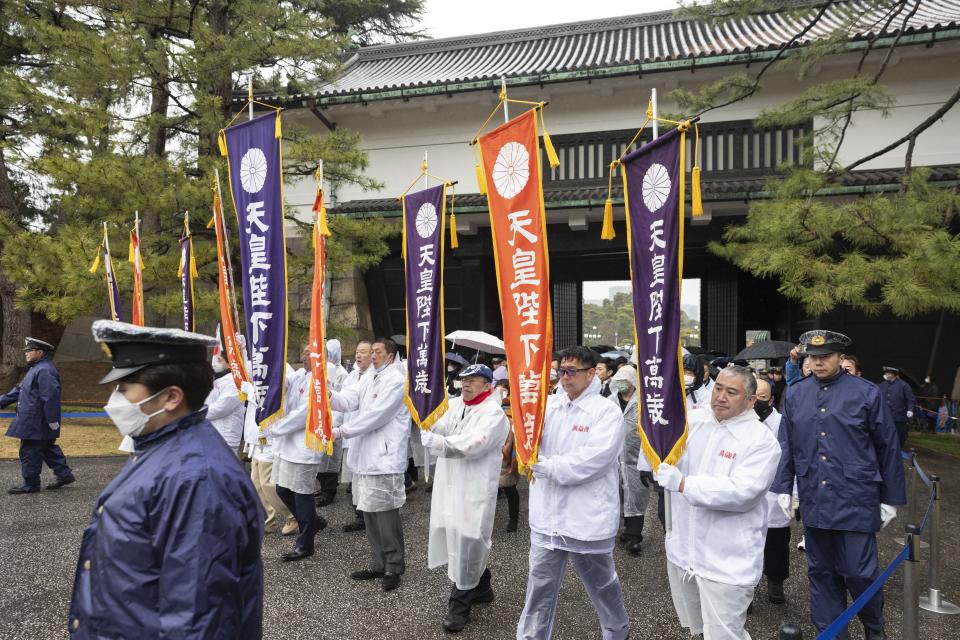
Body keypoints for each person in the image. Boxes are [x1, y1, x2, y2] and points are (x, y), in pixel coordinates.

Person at [69, 320, 262, 637]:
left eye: (124, 388)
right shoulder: (162, 447)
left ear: (171, 397)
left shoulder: (196, 478)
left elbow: (196, 617)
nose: (114, 400)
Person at [772, 330, 905, 640]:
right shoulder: (795, 393)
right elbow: (787, 444)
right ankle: (832, 633)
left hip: (857, 496)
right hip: (814, 494)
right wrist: (784, 488)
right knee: (821, 572)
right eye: (812, 358)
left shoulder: (866, 392)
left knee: (860, 572)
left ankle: (874, 627)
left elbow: (887, 445)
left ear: (840, 358)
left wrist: (891, 498)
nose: (818, 363)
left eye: (825, 357)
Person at [652, 366, 781, 640]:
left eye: (731, 392)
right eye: (719, 388)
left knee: (725, 633)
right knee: (696, 627)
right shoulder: (694, 422)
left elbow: (742, 492)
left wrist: (684, 483)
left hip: (726, 561)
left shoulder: (761, 441)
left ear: (750, 400)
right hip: (685, 552)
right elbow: (661, 452)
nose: (720, 397)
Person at [517, 346, 629, 640]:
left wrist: (546, 466)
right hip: (548, 517)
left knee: (603, 586)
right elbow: (530, 443)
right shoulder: (548, 406)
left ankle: (617, 631)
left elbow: (594, 460)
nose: (565, 378)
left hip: (586, 519)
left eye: (572, 372)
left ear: (591, 373)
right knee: (539, 586)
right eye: (561, 372)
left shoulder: (606, 412)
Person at [421, 364, 510, 633]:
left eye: (474, 380)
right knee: (456, 533)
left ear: (488, 385)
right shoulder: (456, 403)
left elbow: (474, 445)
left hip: (474, 487)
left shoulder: (494, 414)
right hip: (451, 483)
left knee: (470, 540)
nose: (467, 385)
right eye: (464, 380)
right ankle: (482, 587)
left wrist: (438, 443)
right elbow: (441, 424)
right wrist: (426, 415)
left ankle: (458, 607)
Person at [329, 337, 410, 591]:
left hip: (384, 459)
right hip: (365, 457)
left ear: (390, 355)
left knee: (386, 515)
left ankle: (394, 566)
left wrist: (342, 431)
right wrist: (326, 393)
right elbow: (348, 400)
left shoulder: (396, 380)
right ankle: (378, 562)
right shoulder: (368, 377)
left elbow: (376, 416)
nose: (372, 356)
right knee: (369, 513)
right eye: (371, 351)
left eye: (377, 352)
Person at [260, 345, 329, 561]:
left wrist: (276, 428)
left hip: (304, 447)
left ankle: (305, 544)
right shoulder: (300, 375)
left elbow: (304, 413)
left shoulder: (321, 380)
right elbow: (281, 381)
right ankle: (312, 521)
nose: (304, 356)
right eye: (303, 352)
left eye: (309, 353)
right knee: (282, 489)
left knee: (302, 495)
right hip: (287, 446)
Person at [3, 337, 75, 494]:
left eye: (29, 350)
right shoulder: (37, 368)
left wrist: (52, 421)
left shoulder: (45, 370)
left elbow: (50, 398)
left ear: (40, 352)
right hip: (36, 422)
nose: (26, 353)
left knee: (29, 451)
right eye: (26, 351)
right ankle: (64, 475)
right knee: (47, 448)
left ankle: (31, 484)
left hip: (37, 423)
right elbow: (18, 391)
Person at [754, 378, 792, 605]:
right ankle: (747, 586)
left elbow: (790, 457)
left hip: (775, 494)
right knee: (748, 543)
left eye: (763, 397)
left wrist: (793, 492)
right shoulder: (741, 420)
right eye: (754, 396)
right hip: (749, 493)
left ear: (772, 400)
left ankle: (775, 580)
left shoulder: (781, 423)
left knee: (777, 542)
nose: (758, 401)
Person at [611, 364, 648, 555]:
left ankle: (634, 537)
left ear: (633, 382)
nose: (621, 384)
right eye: (618, 380)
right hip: (614, 460)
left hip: (635, 460)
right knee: (616, 496)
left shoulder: (643, 403)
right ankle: (620, 531)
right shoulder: (610, 402)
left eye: (624, 380)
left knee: (636, 497)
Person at [340, 339, 373, 532]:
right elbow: (343, 400)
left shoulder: (375, 378)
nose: (358, 356)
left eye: (363, 352)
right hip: (349, 432)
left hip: (365, 434)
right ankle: (359, 515)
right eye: (357, 353)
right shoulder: (352, 376)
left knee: (365, 479)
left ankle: (369, 516)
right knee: (354, 478)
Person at [315, 338, 347, 506]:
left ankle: (329, 491)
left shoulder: (341, 373)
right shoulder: (323, 370)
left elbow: (340, 397)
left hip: (334, 419)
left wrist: (334, 421)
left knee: (331, 457)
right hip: (323, 418)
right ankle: (322, 486)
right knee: (321, 457)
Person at [205, 351, 245, 455]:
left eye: (219, 360)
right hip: (214, 436)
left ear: (229, 363)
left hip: (227, 438)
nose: (215, 363)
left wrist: (196, 412)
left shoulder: (235, 382)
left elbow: (221, 408)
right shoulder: (218, 380)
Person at [497, 379, 521, 532]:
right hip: (495, 447)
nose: (500, 392)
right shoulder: (494, 404)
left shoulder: (517, 404)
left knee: (510, 487)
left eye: (503, 389)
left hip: (510, 448)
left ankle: (514, 519)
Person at [879, 366, 916, 447]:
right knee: (885, 436)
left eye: (889, 373)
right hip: (885, 416)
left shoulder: (904, 385)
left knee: (898, 437)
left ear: (894, 374)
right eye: (886, 373)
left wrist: (910, 409)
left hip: (898, 416)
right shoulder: (882, 385)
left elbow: (910, 399)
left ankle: (897, 453)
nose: (887, 375)